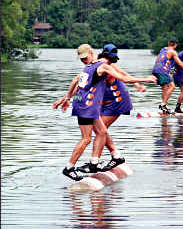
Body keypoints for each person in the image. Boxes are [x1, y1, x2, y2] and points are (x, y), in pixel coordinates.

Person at [53, 43, 156, 181]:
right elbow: (125, 79)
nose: (83, 60)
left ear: (92, 53)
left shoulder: (89, 66)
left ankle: (95, 163)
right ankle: (69, 168)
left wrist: (66, 98)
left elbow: (75, 81)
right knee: (86, 139)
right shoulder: (103, 66)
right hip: (87, 106)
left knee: (101, 132)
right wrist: (146, 79)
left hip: (89, 104)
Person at [152, 38, 183, 114]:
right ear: (175, 45)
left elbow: (162, 60)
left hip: (155, 70)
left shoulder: (163, 49)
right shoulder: (173, 52)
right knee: (172, 86)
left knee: (165, 88)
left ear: (169, 43)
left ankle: (164, 108)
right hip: (162, 71)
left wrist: (167, 72)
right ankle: (163, 105)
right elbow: (180, 63)